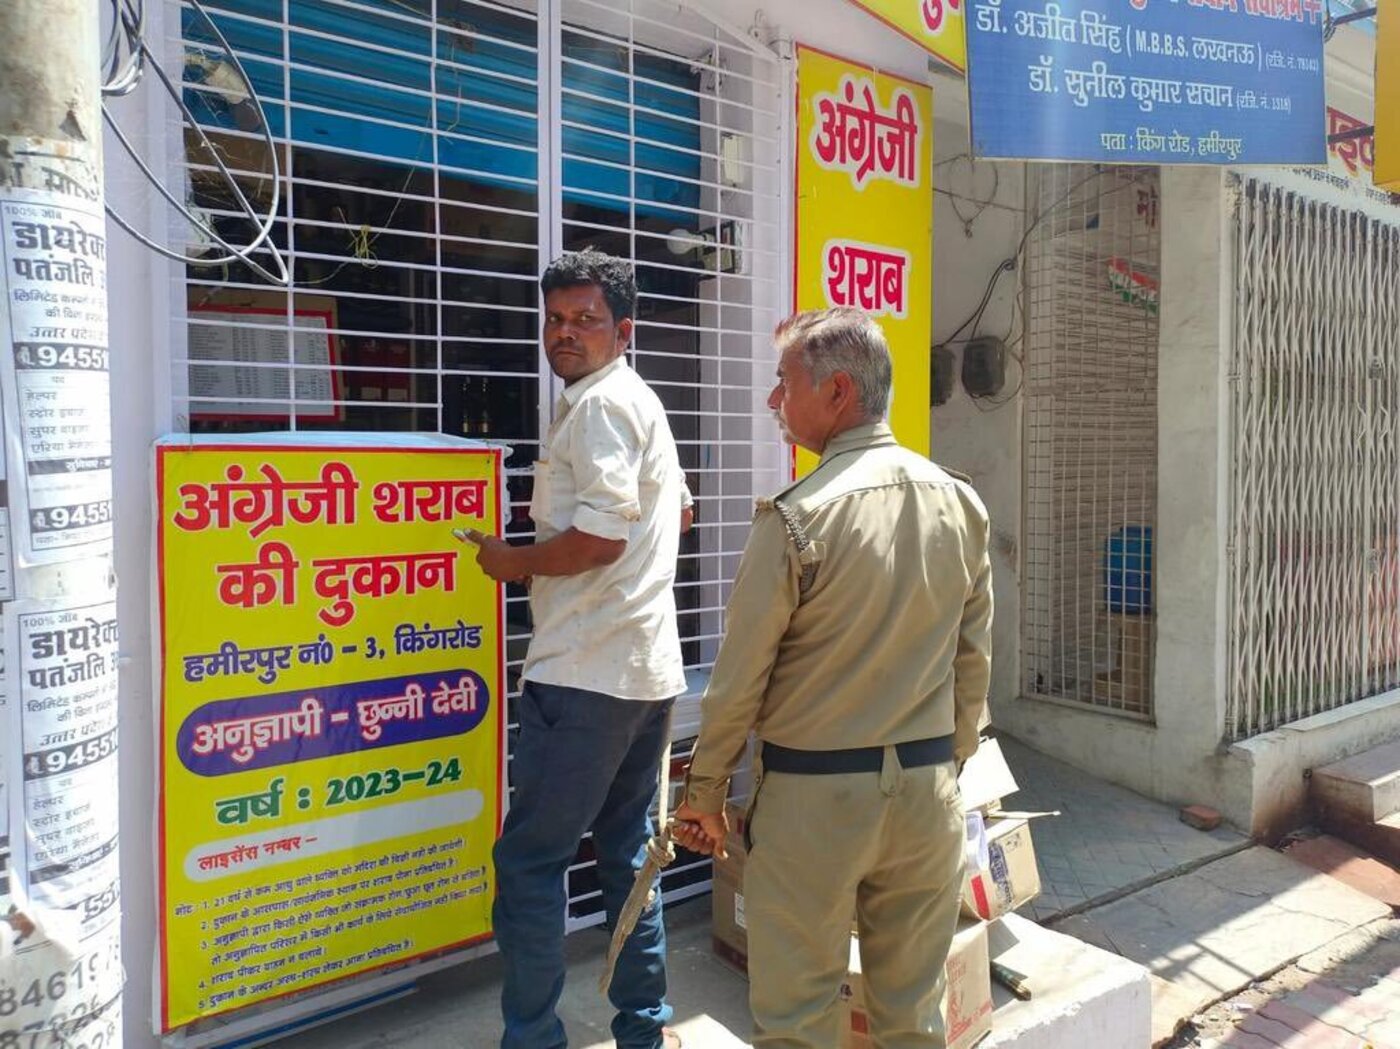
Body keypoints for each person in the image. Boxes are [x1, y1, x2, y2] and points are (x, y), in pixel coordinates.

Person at [673, 307, 993, 1049]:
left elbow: (739, 678)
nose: (773, 402)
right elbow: (974, 663)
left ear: (838, 393)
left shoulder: (796, 518)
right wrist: (947, 763)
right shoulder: (960, 501)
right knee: (913, 1017)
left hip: (813, 804)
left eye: (784, 383)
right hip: (924, 795)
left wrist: (706, 795)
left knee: (796, 1020)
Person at [466, 249, 691, 1049]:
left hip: (586, 675)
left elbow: (599, 536)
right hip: (643, 672)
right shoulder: (637, 402)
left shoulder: (598, 407)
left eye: (585, 320)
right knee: (626, 854)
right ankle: (644, 1030)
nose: (566, 334)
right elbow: (679, 513)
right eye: (555, 319)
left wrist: (513, 561)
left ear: (622, 330)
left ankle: (533, 1040)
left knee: (531, 865)